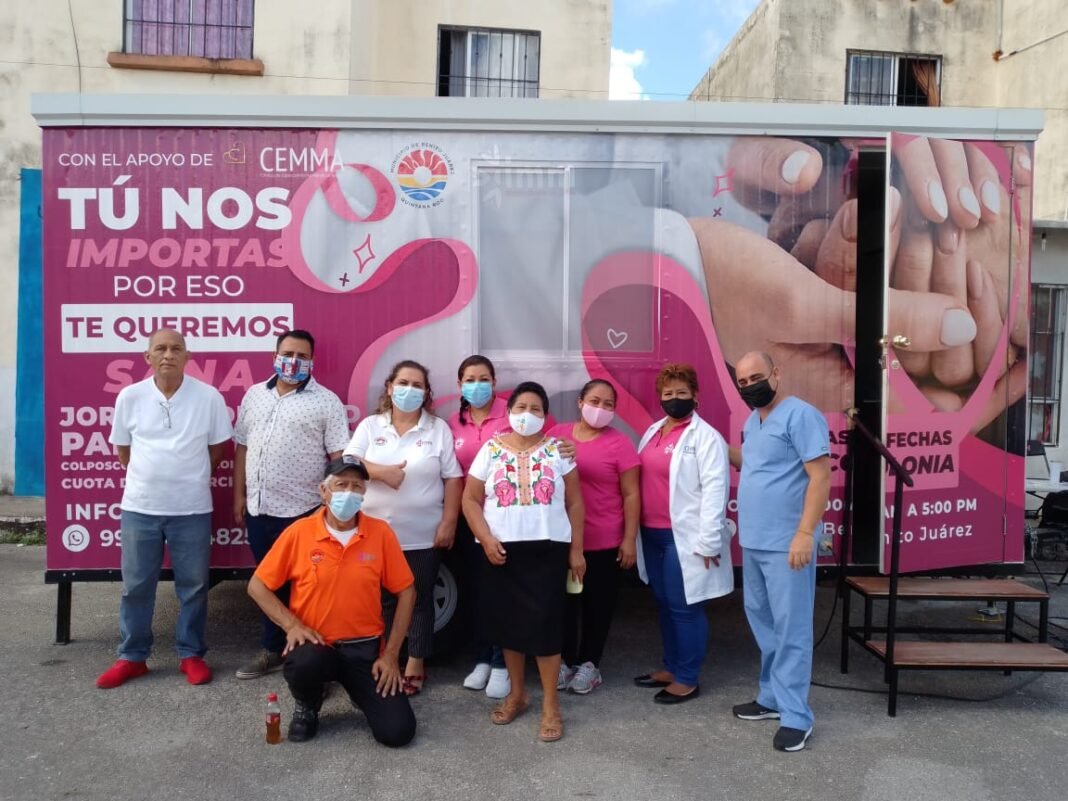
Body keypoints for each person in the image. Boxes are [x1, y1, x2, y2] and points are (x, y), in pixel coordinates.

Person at [96, 328, 232, 689]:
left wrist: (189, 477)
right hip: (140, 507)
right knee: (136, 586)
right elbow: (123, 450)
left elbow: (217, 449)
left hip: (192, 509)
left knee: (194, 586)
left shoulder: (208, 397)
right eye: (160, 349)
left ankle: (191, 654)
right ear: (148, 357)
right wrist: (151, 478)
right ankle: (132, 656)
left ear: (187, 356)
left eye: (176, 349)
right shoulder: (130, 396)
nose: (168, 354)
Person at [247, 457, 417, 746]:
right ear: (323, 491)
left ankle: (360, 693)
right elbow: (257, 586)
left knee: (398, 732)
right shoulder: (299, 533)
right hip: (317, 646)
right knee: (304, 663)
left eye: (357, 486)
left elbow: (407, 591)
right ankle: (308, 704)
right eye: (341, 485)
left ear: (364, 493)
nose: (349, 492)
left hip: (364, 651)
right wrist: (291, 625)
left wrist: (391, 655)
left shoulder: (380, 533)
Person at [462, 382, 585, 742]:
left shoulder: (559, 450)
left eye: (535, 409)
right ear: (509, 412)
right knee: (509, 627)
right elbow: (469, 500)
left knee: (546, 629)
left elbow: (575, 502)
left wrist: (576, 550)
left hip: (548, 550)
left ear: (546, 416)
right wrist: (486, 539)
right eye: (520, 407)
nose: (527, 415)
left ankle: (551, 706)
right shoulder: (490, 449)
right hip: (501, 551)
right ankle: (518, 695)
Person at [232, 329, 351, 680]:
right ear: (275, 356)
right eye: (288, 354)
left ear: (312, 361)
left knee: (310, 588)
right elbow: (242, 448)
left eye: (302, 356)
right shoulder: (254, 395)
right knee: (268, 583)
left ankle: (316, 661)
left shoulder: (326, 401)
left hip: (304, 511)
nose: (293, 361)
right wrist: (239, 495)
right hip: (259, 509)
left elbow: (338, 459)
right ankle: (274, 649)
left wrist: (334, 507)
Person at [729, 351, 831, 753]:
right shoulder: (751, 422)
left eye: (756, 377)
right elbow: (755, 466)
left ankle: (796, 716)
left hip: (787, 543)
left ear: (776, 373)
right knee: (764, 623)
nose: (750, 386)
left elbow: (819, 476)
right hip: (754, 540)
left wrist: (805, 533)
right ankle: (771, 698)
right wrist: (712, 446)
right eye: (742, 381)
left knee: (791, 629)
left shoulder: (801, 415)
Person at [344, 360, 463, 695]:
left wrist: (449, 522)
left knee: (420, 600)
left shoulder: (437, 429)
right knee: (378, 601)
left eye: (417, 385)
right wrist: (381, 473)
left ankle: (415, 662)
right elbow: (348, 463)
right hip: (372, 535)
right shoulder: (371, 426)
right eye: (403, 383)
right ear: (389, 387)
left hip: (422, 535)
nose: (409, 390)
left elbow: (453, 478)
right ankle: (385, 659)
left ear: (426, 393)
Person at [633, 363, 732, 705]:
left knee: (685, 607)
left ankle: (687, 678)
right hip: (651, 534)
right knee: (664, 604)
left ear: (695, 396)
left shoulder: (706, 437)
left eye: (681, 392)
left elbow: (716, 490)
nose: (674, 398)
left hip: (684, 538)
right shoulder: (654, 431)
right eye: (668, 393)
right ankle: (672, 667)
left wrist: (709, 541)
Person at [547, 379, 640, 694]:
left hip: (604, 540)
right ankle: (563, 660)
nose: (600, 409)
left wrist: (629, 539)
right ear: (580, 402)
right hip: (562, 538)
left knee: (597, 605)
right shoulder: (557, 435)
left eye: (608, 404)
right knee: (563, 604)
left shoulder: (620, 444)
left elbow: (631, 494)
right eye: (594, 401)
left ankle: (589, 664)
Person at [448, 355, 512, 699]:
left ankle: (503, 664)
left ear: (494, 382)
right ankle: (483, 658)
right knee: (476, 592)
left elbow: (544, 444)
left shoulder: (512, 413)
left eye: (484, 378)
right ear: (460, 385)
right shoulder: (453, 422)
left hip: (506, 519)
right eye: (470, 379)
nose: (477, 385)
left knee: (502, 592)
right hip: (468, 518)